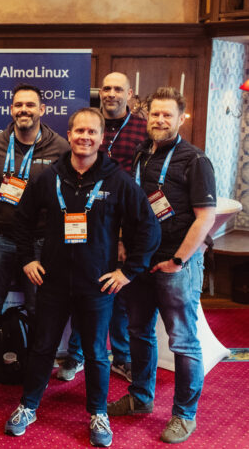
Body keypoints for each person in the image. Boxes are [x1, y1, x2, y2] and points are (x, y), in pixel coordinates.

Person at [3, 108, 159, 447]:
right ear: (69, 135)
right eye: (78, 131)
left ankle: (98, 413)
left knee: (96, 354)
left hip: (97, 285)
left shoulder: (117, 180)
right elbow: (22, 221)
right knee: (43, 347)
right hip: (53, 282)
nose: (85, 137)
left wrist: (129, 271)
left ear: (102, 139)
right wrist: (27, 259)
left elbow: (149, 226)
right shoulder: (50, 176)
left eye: (92, 132)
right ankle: (28, 406)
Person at [108, 87, 216, 444]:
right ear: (147, 117)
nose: (160, 120)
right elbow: (132, 206)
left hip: (176, 265)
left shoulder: (194, 159)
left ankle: (185, 416)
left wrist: (179, 259)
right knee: (139, 333)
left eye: (168, 115)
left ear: (180, 118)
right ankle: (140, 398)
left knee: (183, 342)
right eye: (155, 114)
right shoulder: (140, 156)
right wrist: (124, 242)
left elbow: (205, 219)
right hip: (141, 264)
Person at [0, 83, 69, 387]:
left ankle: (36, 357)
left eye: (30, 105)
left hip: (41, 241)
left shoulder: (60, 147)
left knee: (38, 303)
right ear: (11, 110)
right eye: (18, 105)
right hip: (0, 236)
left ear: (42, 110)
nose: (23, 110)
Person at [58, 72, 150, 384]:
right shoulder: (91, 123)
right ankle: (76, 354)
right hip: (89, 225)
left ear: (130, 93)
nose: (111, 93)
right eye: (106, 88)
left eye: (117, 89)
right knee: (88, 290)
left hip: (123, 221)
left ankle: (121, 358)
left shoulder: (142, 127)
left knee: (117, 296)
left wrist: (124, 237)